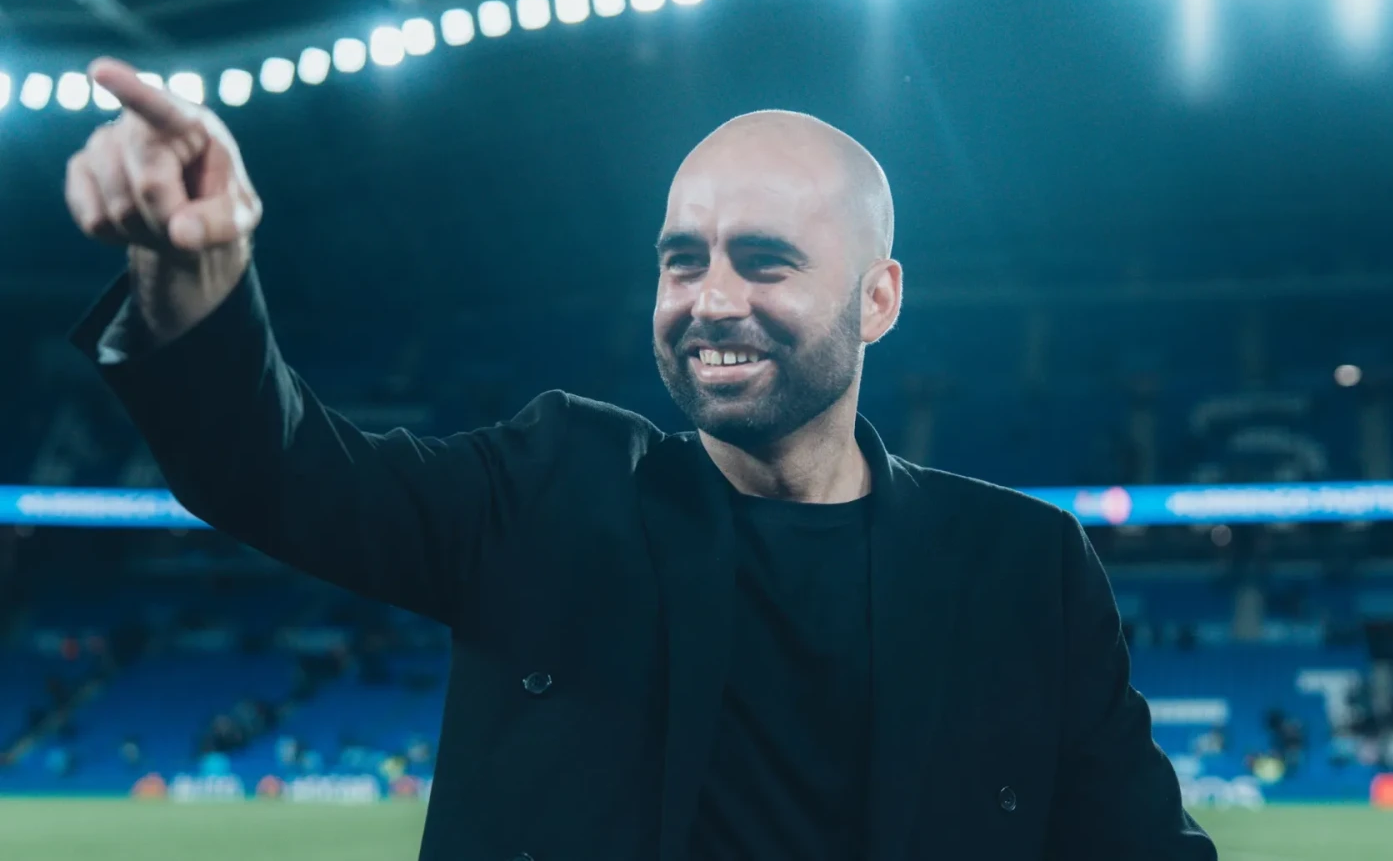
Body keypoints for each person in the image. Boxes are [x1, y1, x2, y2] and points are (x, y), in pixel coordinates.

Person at [62, 57, 1215, 861]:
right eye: (681, 259)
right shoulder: (548, 489)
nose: (710, 298)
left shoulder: (1023, 568)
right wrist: (193, 276)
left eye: (764, 260)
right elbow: (278, 472)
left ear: (877, 299)